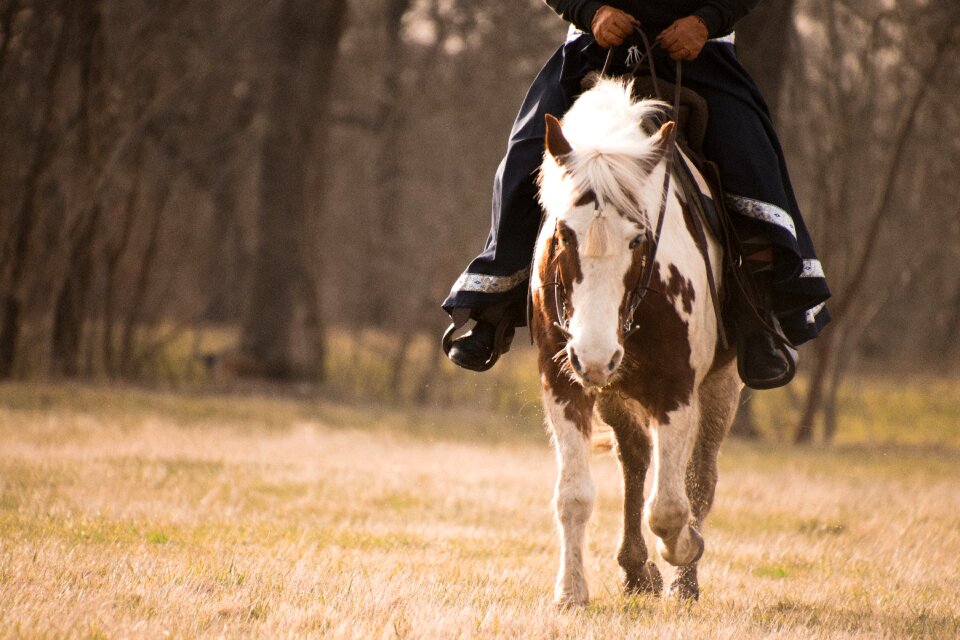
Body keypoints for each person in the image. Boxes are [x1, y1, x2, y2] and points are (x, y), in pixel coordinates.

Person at [442, 1, 830, 389]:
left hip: (702, 56)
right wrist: (589, 11)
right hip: (594, 52)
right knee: (523, 158)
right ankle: (495, 309)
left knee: (753, 165)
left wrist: (705, 21)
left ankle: (755, 319)